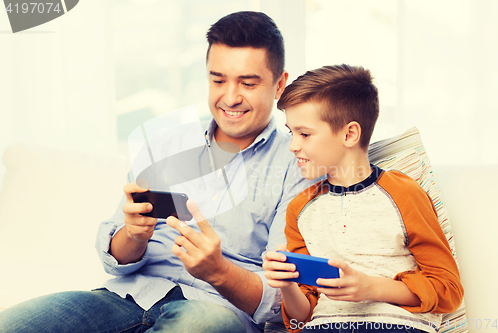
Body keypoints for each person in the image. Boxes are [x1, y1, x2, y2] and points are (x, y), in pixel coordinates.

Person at [0, 11, 316, 333]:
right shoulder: (167, 144)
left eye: (248, 83)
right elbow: (114, 257)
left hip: (215, 310)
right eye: (218, 80)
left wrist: (219, 271)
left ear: (279, 85)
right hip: (128, 297)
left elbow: (285, 301)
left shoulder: (300, 165)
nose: (230, 97)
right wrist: (133, 235)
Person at [262, 64, 464, 333]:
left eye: (305, 134)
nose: (293, 145)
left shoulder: (404, 193)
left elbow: (447, 290)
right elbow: (300, 319)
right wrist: (286, 285)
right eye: (291, 132)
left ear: (349, 134)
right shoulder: (300, 209)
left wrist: (370, 287)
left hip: (395, 325)